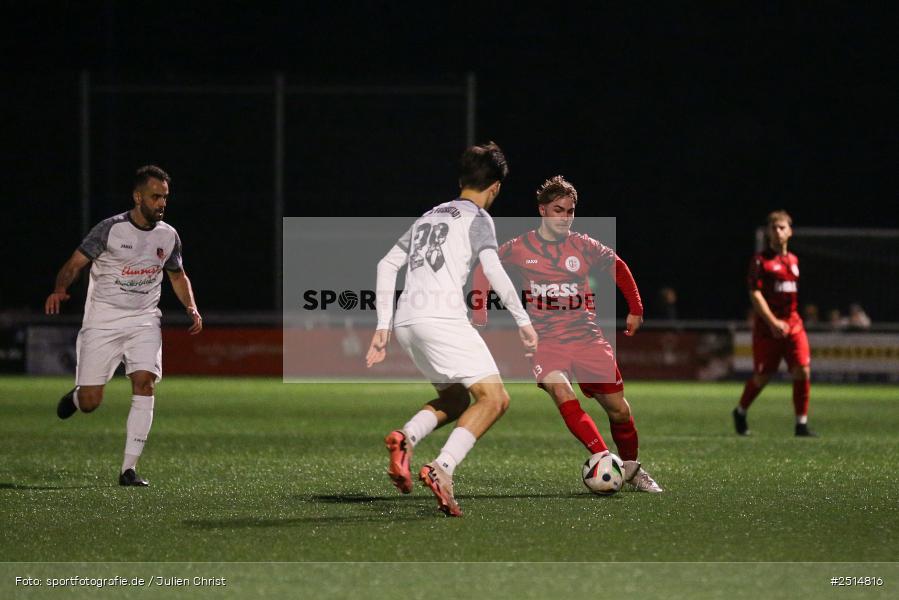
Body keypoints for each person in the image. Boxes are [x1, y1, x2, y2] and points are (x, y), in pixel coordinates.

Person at [366, 142, 537, 517]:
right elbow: (492, 270)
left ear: (462, 180)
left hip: (408, 321)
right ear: (495, 188)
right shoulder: (478, 218)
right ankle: (442, 468)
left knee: (457, 399)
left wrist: (383, 325)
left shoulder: (427, 216)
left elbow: (385, 265)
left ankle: (405, 438)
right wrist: (523, 320)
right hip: (441, 318)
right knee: (495, 399)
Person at [471, 175, 663, 493]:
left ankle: (630, 468)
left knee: (619, 410)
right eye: (559, 210)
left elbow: (618, 266)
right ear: (543, 210)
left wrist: (636, 308)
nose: (565, 217)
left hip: (587, 339)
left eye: (571, 211)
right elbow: (483, 268)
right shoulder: (520, 248)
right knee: (563, 394)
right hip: (546, 343)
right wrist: (480, 310)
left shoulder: (583, 246)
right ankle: (604, 459)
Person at [45, 165, 203, 486]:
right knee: (91, 402)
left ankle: (128, 469)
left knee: (145, 382)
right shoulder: (110, 229)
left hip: (144, 319)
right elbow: (74, 264)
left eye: (165, 198)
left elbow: (177, 275)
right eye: (155, 196)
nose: (161, 203)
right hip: (102, 321)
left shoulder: (168, 235)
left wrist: (191, 306)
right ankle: (77, 398)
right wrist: (61, 288)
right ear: (137, 196)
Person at [732, 210, 815, 437]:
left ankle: (801, 424)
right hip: (767, 328)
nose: (778, 232)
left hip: (793, 325)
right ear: (768, 232)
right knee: (763, 375)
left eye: (782, 227)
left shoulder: (794, 261)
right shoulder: (761, 261)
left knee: (803, 371)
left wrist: (787, 322)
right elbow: (755, 294)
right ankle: (740, 411)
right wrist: (772, 321)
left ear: (790, 232)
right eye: (774, 228)